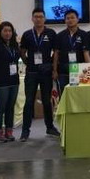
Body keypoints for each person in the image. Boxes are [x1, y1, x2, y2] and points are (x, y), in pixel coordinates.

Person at [19, 8, 58, 142]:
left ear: (44, 18)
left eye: (41, 17)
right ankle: (25, 131)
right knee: (29, 101)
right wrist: (28, 63)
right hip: (31, 72)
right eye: (36, 17)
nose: (38, 19)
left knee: (47, 101)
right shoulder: (27, 34)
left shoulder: (51, 33)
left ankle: (50, 127)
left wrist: (53, 68)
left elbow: (56, 53)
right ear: (32, 19)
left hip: (46, 72)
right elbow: (22, 52)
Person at [54, 9, 90, 96]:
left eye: (72, 18)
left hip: (79, 70)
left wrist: (89, 69)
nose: (70, 20)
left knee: (78, 95)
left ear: (77, 19)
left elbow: (86, 53)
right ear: (65, 20)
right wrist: (54, 70)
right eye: (68, 18)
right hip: (63, 71)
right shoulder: (60, 35)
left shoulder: (84, 35)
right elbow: (56, 54)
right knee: (64, 94)